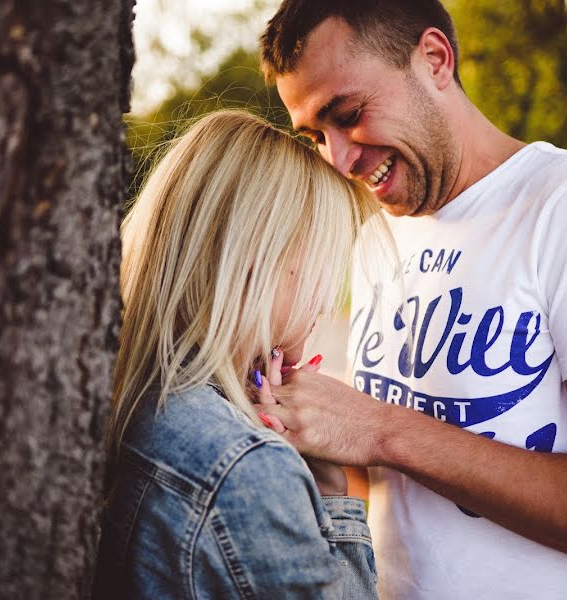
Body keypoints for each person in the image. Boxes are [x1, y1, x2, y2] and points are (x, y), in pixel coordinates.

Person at [255, 1, 567, 598]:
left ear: (435, 59)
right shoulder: (377, 236)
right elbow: (393, 492)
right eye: (317, 136)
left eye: (349, 114)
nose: (339, 159)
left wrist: (381, 430)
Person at [92, 110, 385, 599]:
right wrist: (334, 497)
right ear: (257, 260)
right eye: (322, 261)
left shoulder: (127, 396)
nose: (328, 298)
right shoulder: (248, 468)